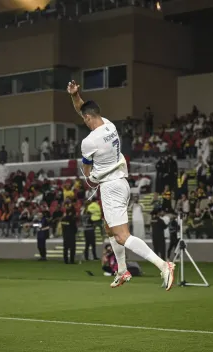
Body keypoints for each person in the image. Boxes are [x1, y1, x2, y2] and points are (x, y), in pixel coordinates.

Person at [67, 80, 174, 290]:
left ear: (88, 118)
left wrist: (89, 178)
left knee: (122, 236)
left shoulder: (88, 141)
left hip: (110, 186)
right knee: (109, 228)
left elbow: (87, 172)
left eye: (84, 119)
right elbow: (83, 108)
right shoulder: (109, 125)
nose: (84, 120)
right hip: (121, 182)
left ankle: (163, 265)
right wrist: (74, 95)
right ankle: (122, 270)